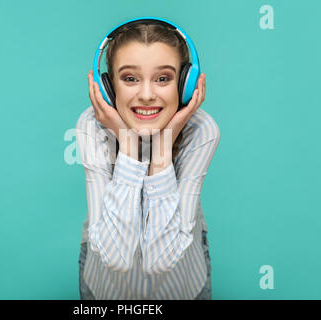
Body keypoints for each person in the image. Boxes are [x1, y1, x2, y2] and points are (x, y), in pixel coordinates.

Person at [75, 21, 220, 299]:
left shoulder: (202, 130)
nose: (146, 95)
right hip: (105, 289)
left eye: (163, 79)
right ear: (108, 86)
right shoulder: (90, 127)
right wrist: (128, 144)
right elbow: (115, 258)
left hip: (183, 286)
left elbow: (160, 261)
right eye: (130, 78)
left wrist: (162, 149)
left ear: (186, 84)